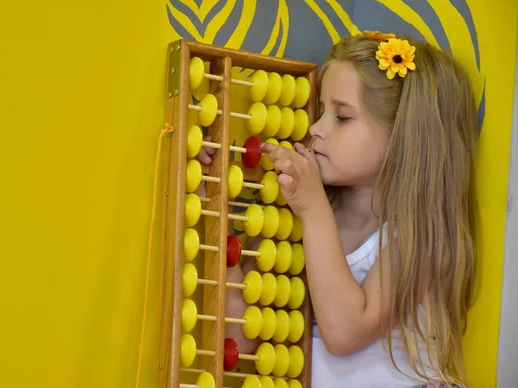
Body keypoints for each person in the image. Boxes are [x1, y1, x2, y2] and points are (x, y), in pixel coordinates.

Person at [197, 31, 478, 387]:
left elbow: (345, 332)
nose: (315, 129)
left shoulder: (421, 237)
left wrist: (314, 210)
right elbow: (242, 334)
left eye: (341, 117)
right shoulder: (288, 222)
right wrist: (216, 204)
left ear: (402, 136)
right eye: (320, 112)